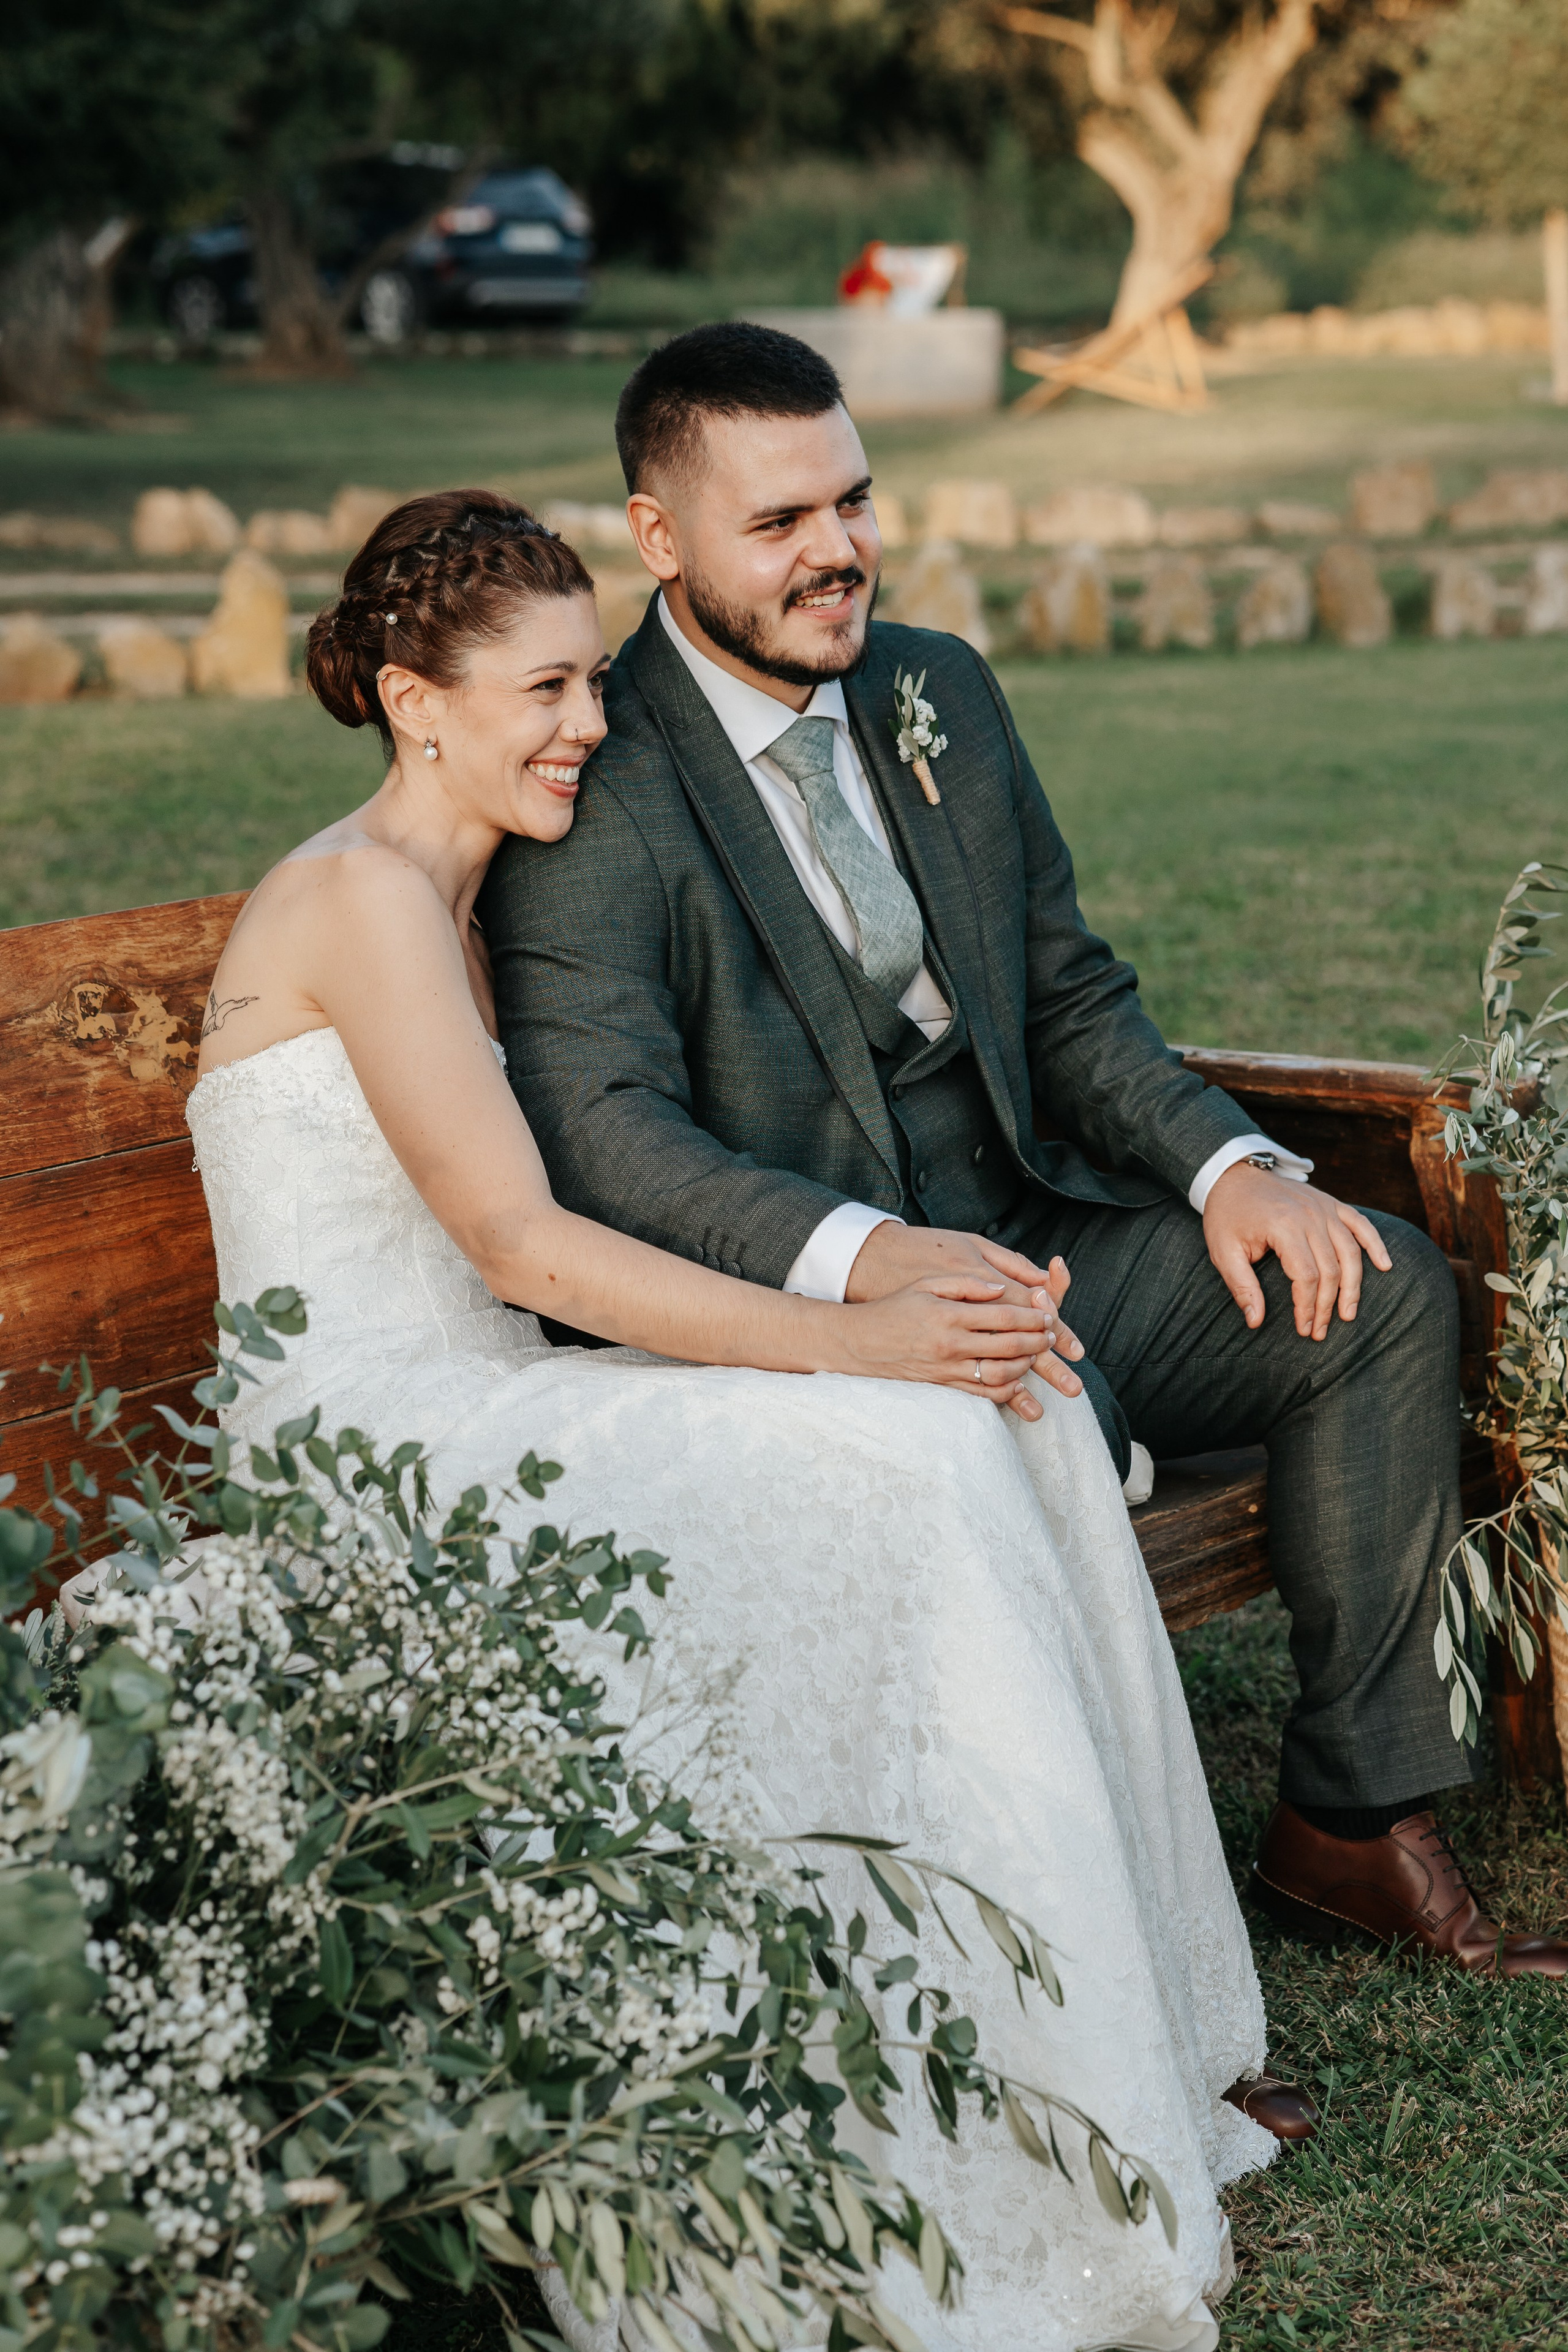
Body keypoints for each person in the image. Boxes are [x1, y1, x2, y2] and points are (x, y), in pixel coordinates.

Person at [190, 487, 1294, 2352]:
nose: (590, 728)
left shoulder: (461, 896)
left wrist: (885, 1320)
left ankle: (1111, 2058)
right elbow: (515, 1233)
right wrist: (846, 1340)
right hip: (370, 1433)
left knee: (1000, 1409)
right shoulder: (367, 901)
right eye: (545, 692)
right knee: (922, 1435)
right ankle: (918, 2092)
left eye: (595, 688)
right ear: (412, 701)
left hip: (484, 1387)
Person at [477, 321, 1568, 1986]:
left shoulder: (938, 693)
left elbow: (1061, 995)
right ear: (659, 540)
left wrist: (1228, 1171)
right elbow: (608, 1138)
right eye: (778, 524)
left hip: (1038, 1228)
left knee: (1378, 1288)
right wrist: (865, 1265)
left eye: (853, 500)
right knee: (1013, 1439)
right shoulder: (592, 769)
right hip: (814, 1329)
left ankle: (1354, 1819)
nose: (838, 550)